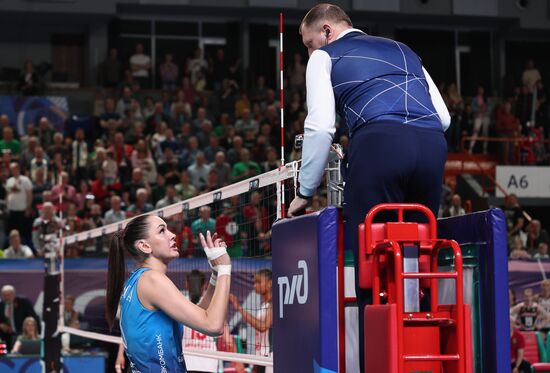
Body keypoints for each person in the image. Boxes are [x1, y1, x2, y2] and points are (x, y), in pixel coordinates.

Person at [287, 5, 450, 372]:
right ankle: (422, 358)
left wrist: (305, 189)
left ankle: (379, 362)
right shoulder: (404, 50)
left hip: (379, 143)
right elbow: (444, 117)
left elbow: (320, 126)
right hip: (431, 145)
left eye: (308, 43)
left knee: (371, 258)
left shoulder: (325, 58)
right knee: (420, 251)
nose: (308, 52)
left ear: (326, 31)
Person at [106, 214, 231, 372]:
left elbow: (201, 317)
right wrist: (225, 268)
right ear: (144, 246)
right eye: (162, 231)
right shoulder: (152, 280)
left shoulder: (138, 280)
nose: (172, 235)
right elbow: (214, 326)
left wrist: (215, 274)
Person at [229, 269, 272, 373]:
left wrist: (239, 308)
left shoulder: (273, 303)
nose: (255, 285)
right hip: (261, 358)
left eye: (258, 282)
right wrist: (255, 365)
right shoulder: (263, 306)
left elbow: (262, 327)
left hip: (270, 358)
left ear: (270, 283)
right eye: (254, 282)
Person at [0, 285, 41, 349]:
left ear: (14, 294)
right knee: (4, 353)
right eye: (4, 295)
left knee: (20, 353)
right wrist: (1, 325)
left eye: (8, 295)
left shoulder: (23, 302)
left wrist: (37, 333)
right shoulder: (1, 305)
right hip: (5, 336)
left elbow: (33, 318)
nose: (6, 297)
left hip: (22, 334)